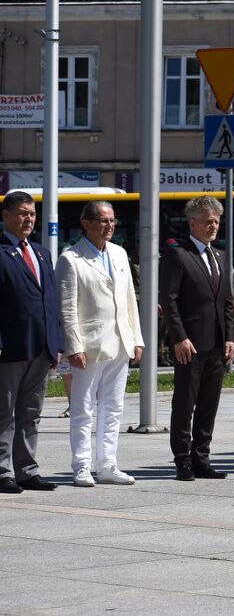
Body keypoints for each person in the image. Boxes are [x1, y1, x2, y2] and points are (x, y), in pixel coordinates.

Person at [56, 201, 143, 487]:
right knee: (83, 408)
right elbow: (67, 307)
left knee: (113, 406)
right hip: (89, 345)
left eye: (112, 220)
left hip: (120, 341)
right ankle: (81, 465)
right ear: (86, 223)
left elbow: (129, 299)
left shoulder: (119, 253)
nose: (109, 226)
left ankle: (107, 464)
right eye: (103, 220)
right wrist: (73, 346)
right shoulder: (71, 259)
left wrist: (136, 338)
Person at [160, 196, 234, 481]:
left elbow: (226, 302)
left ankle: (201, 459)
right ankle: (182, 460)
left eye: (217, 221)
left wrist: (230, 337)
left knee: (208, 405)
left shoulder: (220, 256)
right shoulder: (179, 255)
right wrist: (179, 338)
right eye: (208, 221)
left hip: (216, 343)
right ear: (193, 223)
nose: (214, 226)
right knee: (184, 404)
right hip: (189, 344)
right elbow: (169, 301)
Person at [0, 192, 62, 493]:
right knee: (4, 412)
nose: (29, 219)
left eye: (33, 214)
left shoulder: (41, 253)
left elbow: (50, 300)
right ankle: (2, 472)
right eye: (23, 213)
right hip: (10, 347)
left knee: (31, 412)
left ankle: (27, 470)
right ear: (6, 216)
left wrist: (56, 342)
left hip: (41, 346)